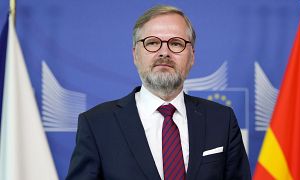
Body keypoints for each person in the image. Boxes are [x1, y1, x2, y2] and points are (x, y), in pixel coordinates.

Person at [66, 5, 251, 180]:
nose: (164, 52)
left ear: (192, 56)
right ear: (135, 54)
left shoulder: (222, 120)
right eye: (152, 43)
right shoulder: (97, 124)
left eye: (176, 44)